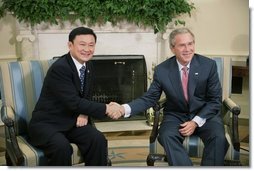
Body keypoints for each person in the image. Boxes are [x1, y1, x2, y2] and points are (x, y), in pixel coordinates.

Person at [110, 28, 229, 166]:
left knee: (218, 137)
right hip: (176, 115)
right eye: (182, 45)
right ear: (172, 48)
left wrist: (195, 122)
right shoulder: (162, 70)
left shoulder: (208, 65)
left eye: (190, 44)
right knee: (166, 135)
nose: (188, 49)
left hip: (205, 115)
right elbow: (149, 98)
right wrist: (123, 109)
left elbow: (214, 101)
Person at [28, 27, 122, 166]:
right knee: (62, 147)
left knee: (98, 139)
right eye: (82, 44)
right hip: (48, 124)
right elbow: (73, 102)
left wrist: (84, 113)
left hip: (73, 122)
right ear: (70, 45)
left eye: (91, 45)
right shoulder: (60, 68)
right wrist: (107, 108)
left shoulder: (89, 65)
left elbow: (87, 94)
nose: (87, 49)